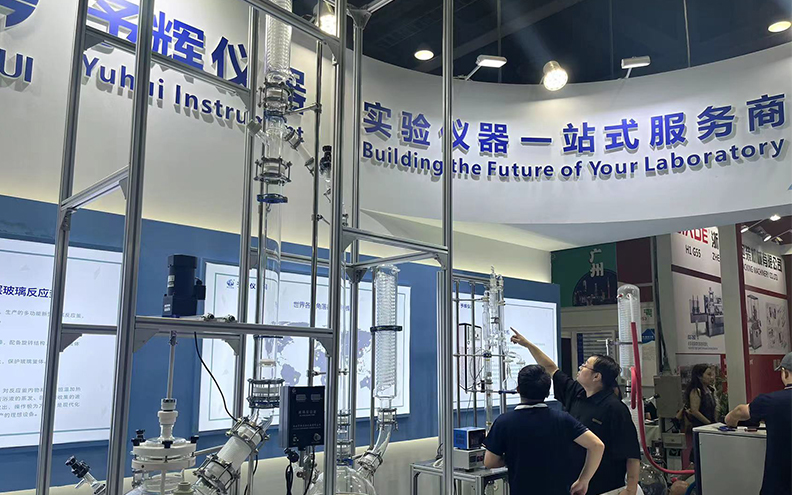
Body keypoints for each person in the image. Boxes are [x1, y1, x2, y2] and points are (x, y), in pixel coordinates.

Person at [510, 327, 641, 495]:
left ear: (597, 376)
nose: (580, 367)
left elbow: (631, 452)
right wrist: (528, 345)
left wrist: (630, 489)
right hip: (574, 483)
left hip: (604, 485)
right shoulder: (576, 392)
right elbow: (550, 368)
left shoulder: (615, 408)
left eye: (585, 365)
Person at [484, 365, 605, 495]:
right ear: (547, 392)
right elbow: (597, 445)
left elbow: (490, 462)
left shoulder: (504, 422)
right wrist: (583, 480)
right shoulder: (562, 419)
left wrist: (512, 458)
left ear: (518, 390)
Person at [724, 351, 792, 495]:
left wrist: (730, 421)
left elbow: (739, 411)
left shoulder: (770, 401)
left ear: (785, 373)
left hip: (778, 487)